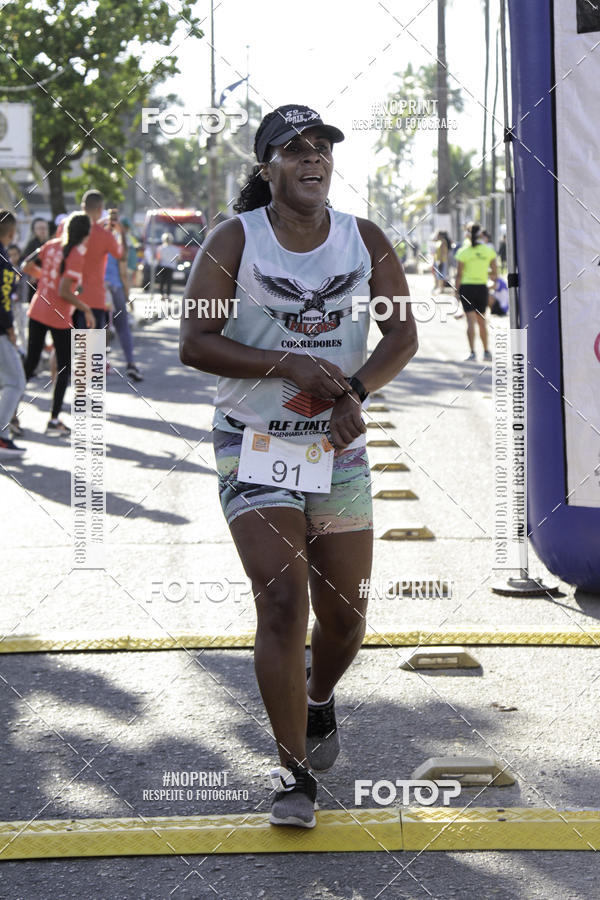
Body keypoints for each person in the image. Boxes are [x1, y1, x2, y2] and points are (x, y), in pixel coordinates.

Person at [180, 104, 418, 828]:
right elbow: (195, 341)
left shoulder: (364, 239)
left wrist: (353, 391)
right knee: (283, 603)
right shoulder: (235, 239)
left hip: (335, 447)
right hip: (254, 442)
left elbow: (401, 336)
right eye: (295, 149)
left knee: (344, 618)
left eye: (322, 147)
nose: (313, 157)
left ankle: (318, 698)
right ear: (268, 166)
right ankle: (293, 772)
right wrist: (288, 363)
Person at [22, 212, 94, 435]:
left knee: (30, 363)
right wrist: (85, 308)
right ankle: (53, 420)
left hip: (38, 308)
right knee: (64, 367)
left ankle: (10, 415)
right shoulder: (76, 254)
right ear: (85, 234)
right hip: (59, 316)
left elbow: (26, 265)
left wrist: (45, 278)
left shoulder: (51, 245)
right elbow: (64, 292)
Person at [73, 191, 122, 330]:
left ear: (83, 206)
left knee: (77, 343)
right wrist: (121, 233)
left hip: (71, 296)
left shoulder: (69, 229)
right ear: (101, 209)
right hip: (94, 297)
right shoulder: (105, 235)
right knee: (94, 343)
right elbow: (120, 254)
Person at [0, 211, 26, 456]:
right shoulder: (4, 261)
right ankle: (1, 436)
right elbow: (3, 300)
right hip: (0, 331)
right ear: (11, 233)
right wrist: (10, 330)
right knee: (16, 382)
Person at [455, 222, 497, 361]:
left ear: (467, 234)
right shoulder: (488, 250)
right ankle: (486, 352)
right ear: (481, 234)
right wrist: (488, 277)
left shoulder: (463, 251)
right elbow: (494, 272)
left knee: (470, 321)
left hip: (467, 287)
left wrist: (456, 292)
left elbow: (459, 274)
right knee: (482, 321)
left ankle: (472, 353)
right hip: (481, 288)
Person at [104, 245, 143, 381]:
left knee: (99, 328)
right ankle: (130, 363)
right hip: (115, 288)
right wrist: (127, 296)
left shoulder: (91, 242)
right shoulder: (116, 247)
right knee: (123, 327)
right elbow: (123, 274)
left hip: (98, 290)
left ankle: (98, 365)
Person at [21, 218, 50, 303]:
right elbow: (24, 265)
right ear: (34, 230)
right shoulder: (30, 246)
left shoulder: (49, 244)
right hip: (33, 284)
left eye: (44, 228)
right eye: (40, 228)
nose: (42, 231)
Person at [156, 232, 179, 299]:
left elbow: (158, 258)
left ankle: (161, 294)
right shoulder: (175, 249)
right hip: (171, 267)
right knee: (169, 281)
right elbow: (178, 258)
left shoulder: (160, 248)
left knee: (162, 281)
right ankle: (168, 295)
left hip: (162, 265)